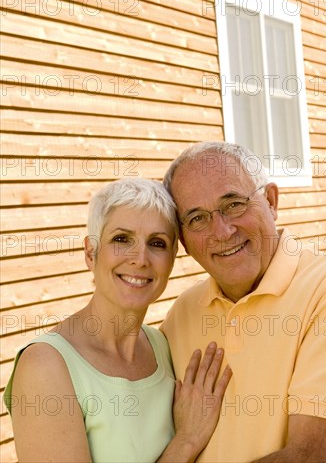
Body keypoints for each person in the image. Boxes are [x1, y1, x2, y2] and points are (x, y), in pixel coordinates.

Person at [161, 141, 326, 463]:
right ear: (184, 240)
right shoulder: (181, 314)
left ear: (270, 201)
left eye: (233, 205)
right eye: (197, 218)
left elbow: (315, 458)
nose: (223, 231)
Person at [4, 178, 232, 463]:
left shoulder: (161, 345)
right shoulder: (45, 366)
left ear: (173, 257)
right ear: (91, 253)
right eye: (121, 239)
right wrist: (186, 441)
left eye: (157, 243)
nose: (140, 259)